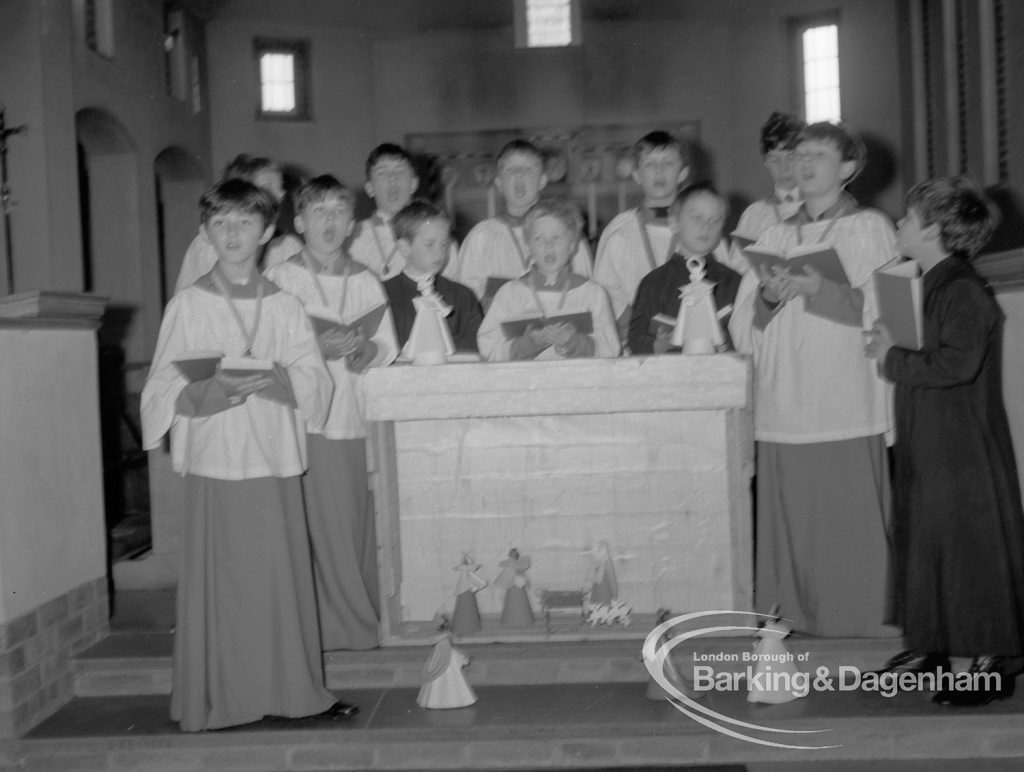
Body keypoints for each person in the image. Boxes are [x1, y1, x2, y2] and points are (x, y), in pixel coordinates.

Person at [140, 179, 357, 731]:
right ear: (205, 233)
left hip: (272, 455)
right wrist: (209, 392)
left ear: (267, 232)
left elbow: (315, 383)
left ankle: (295, 693)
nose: (233, 234)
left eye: (245, 223)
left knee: (279, 576)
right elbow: (160, 390)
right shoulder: (188, 304)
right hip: (216, 454)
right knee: (226, 579)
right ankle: (218, 698)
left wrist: (277, 379)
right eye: (221, 224)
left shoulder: (284, 304)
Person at [729, 121, 896, 638]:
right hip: (785, 400)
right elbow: (739, 324)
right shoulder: (774, 235)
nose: (804, 163)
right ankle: (793, 617)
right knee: (791, 521)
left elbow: (888, 313)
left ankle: (860, 619)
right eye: (800, 154)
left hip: (844, 398)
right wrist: (771, 296)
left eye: (818, 154)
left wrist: (819, 290)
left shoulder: (868, 228)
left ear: (848, 168)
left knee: (845, 520)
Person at [865, 177, 1024, 706]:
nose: (900, 224)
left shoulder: (961, 289)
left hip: (961, 448)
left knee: (969, 550)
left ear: (933, 229)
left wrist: (890, 357)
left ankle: (990, 659)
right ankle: (928, 648)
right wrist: (889, 342)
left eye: (908, 218)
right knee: (925, 541)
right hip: (927, 438)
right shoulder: (928, 282)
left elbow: (957, 364)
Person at [264, 175, 398, 651]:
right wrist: (316, 346)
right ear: (299, 221)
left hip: (354, 415)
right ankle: (329, 626)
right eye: (318, 212)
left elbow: (388, 347)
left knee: (354, 522)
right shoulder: (281, 278)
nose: (329, 221)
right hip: (306, 417)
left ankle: (360, 617)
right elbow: (265, 345)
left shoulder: (365, 279)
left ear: (352, 225)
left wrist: (363, 346)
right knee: (317, 524)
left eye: (338, 213)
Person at [454, 139, 593, 308]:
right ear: (498, 183)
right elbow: (467, 303)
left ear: (542, 180)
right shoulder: (481, 237)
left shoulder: (567, 231)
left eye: (528, 169)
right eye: (510, 169)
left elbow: (586, 291)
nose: (519, 175)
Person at [477, 198, 618, 361]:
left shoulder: (591, 294)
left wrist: (574, 342)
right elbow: (488, 350)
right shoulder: (510, 294)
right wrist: (529, 343)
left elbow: (610, 349)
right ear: (528, 246)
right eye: (538, 238)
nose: (548, 245)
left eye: (556, 238)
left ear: (572, 245)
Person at [627, 182, 742, 355]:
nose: (706, 227)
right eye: (697, 218)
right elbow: (635, 339)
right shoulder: (653, 283)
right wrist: (660, 344)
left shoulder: (734, 282)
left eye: (715, 220)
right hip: (668, 376)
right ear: (674, 223)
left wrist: (724, 339)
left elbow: (748, 338)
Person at [174, 154, 302, 293]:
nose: (281, 194)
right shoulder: (207, 246)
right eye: (268, 187)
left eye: (281, 187)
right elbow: (187, 297)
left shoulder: (288, 245)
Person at [347, 143, 458, 281]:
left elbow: (453, 289)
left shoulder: (438, 236)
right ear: (370, 188)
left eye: (399, 171)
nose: (392, 178)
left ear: (413, 184)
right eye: (382, 173)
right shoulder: (353, 239)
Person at [383, 200, 482, 353]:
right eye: (430, 244)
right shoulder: (384, 296)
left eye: (444, 244)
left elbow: (476, 344)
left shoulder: (462, 296)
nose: (440, 252)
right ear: (404, 247)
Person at [732, 112, 807, 247]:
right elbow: (737, 266)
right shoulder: (755, 214)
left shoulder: (821, 208)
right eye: (774, 159)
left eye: (790, 158)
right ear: (765, 161)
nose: (783, 168)